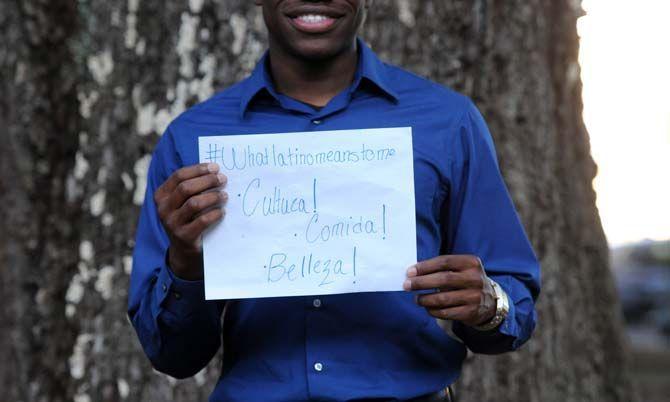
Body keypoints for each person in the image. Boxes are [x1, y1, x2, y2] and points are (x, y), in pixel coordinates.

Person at [128, 1, 541, 401]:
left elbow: (512, 298)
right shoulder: (191, 142)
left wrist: (491, 305)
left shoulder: (449, 122)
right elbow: (174, 357)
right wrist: (184, 262)